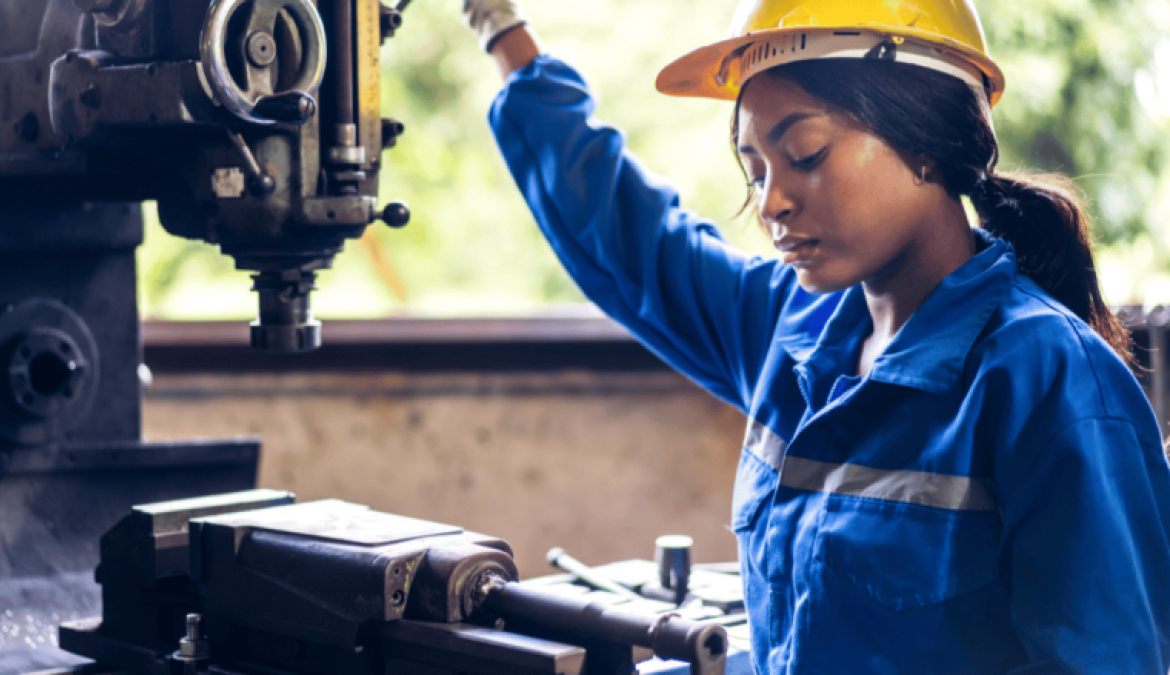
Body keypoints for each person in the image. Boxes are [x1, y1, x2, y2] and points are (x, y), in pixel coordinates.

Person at [460, 0, 1170, 672]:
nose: (770, 203)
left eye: (804, 154)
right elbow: (627, 235)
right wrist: (498, 23)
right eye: (755, 169)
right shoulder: (790, 329)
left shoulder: (1047, 382)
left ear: (926, 142)